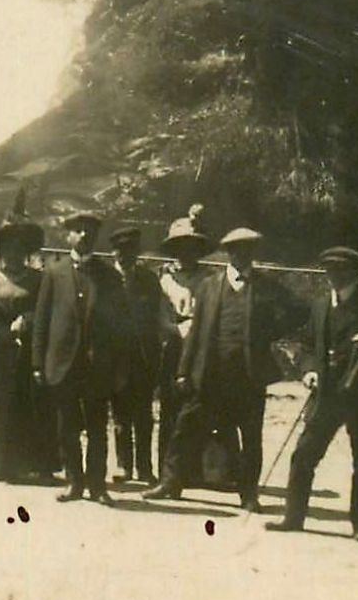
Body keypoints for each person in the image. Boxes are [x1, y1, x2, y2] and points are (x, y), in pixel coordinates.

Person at [145, 226, 305, 510]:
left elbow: (299, 310)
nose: (241, 255)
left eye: (247, 250)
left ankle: (249, 494)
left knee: (251, 436)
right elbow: (195, 334)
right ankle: (171, 482)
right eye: (235, 250)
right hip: (210, 374)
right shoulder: (210, 285)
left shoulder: (266, 286)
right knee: (185, 426)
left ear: (253, 253)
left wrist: (268, 332)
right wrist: (184, 371)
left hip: (248, 376)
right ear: (228, 253)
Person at [267, 248, 358, 540]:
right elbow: (307, 344)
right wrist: (308, 369)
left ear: (355, 273)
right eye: (329, 270)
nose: (334, 277)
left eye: (341, 271)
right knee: (304, 453)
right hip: (326, 394)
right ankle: (293, 517)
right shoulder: (320, 305)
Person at [32, 211, 128, 505]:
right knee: (67, 425)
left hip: (97, 363)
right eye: (78, 230)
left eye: (89, 231)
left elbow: (119, 325)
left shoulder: (110, 276)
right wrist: (38, 362)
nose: (84, 235)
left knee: (98, 425)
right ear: (68, 235)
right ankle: (75, 482)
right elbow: (42, 320)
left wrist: (120, 365)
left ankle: (97, 485)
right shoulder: (54, 272)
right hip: (63, 362)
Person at [0, 209, 57, 482]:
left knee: (30, 401)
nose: (14, 252)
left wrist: (28, 320)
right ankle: (0, 465)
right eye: (8, 246)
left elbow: (46, 313)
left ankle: (33, 464)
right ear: (2, 250)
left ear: (26, 250)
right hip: (0, 348)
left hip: (29, 347)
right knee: (1, 403)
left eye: (19, 246)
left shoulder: (38, 279)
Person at [153, 208, 215, 483]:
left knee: (196, 407)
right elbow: (157, 313)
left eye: (192, 247)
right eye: (181, 247)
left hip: (200, 348)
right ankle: (166, 470)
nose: (186, 253)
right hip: (172, 346)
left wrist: (197, 330)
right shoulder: (164, 278)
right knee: (169, 407)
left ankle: (192, 469)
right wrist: (174, 327)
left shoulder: (210, 279)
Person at [110, 226, 162, 485]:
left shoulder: (149, 280)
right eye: (120, 251)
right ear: (113, 253)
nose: (125, 256)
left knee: (144, 416)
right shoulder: (106, 279)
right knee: (120, 416)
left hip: (143, 357)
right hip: (115, 358)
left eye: (130, 251)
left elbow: (156, 317)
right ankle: (123, 465)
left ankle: (145, 467)